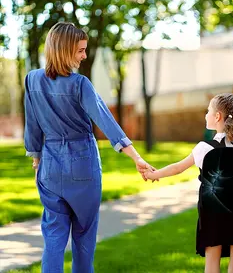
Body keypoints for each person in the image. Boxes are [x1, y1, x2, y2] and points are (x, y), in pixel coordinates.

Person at [24, 22, 153, 273]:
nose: (84, 56)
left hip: (49, 166)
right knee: (83, 237)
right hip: (82, 163)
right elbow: (106, 121)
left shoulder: (32, 80)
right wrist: (136, 157)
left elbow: (32, 126)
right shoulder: (79, 84)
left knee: (53, 237)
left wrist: (37, 161)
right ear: (64, 50)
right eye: (80, 51)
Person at [144, 93, 233, 273]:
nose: (206, 115)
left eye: (208, 111)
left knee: (211, 266)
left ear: (217, 117)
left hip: (212, 217)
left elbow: (178, 168)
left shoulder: (204, 148)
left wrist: (154, 175)